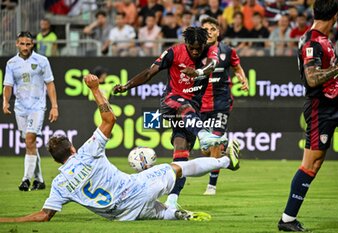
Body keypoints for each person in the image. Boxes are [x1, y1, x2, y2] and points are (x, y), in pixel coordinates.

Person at [0, 74, 239, 223]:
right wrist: (95, 89)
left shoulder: (60, 185)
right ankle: (225, 161)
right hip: (136, 189)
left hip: (122, 215)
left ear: (56, 161)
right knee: (178, 167)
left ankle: (173, 213)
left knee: (159, 212)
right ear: (72, 149)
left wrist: (6, 219)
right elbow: (109, 120)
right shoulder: (86, 152)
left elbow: (43, 216)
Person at [113, 27, 235, 209]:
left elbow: (211, 66)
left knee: (181, 154)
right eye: (191, 48)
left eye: (198, 48)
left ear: (204, 44)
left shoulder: (210, 51)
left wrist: (199, 73)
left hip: (193, 111)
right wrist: (126, 86)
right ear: (186, 43)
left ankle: (172, 201)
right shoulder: (172, 53)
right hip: (171, 102)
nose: (195, 51)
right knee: (183, 107)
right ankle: (204, 135)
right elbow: (149, 73)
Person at [278, 0, 338, 231]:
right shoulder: (312, 41)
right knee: (311, 164)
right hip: (322, 109)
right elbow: (312, 78)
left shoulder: (322, 38)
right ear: (337, 15)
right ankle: (287, 220)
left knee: (313, 163)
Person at [2, 31, 59, 191]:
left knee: (29, 140)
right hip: (20, 108)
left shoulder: (42, 61)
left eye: (28, 44)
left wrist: (54, 106)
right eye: (22, 44)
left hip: (37, 106)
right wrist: (5, 101)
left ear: (32, 44)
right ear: (17, 44)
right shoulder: (11, 63)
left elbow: (50, 84)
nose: (25, 47)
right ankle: (39, 180)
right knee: (30, 144)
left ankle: (26, 179)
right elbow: (8, 85)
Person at [201, 17, 248, 195]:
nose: (210, 32)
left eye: (213, 29)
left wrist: (242, 79)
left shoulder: (227, 51)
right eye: (206, 29)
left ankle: (211, 186)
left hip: (221, 103)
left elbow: (237, 68)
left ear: (218, 32)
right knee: (205, 151)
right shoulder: (196, 52)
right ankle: (228, 154)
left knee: (214, 141)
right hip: (200, 106)